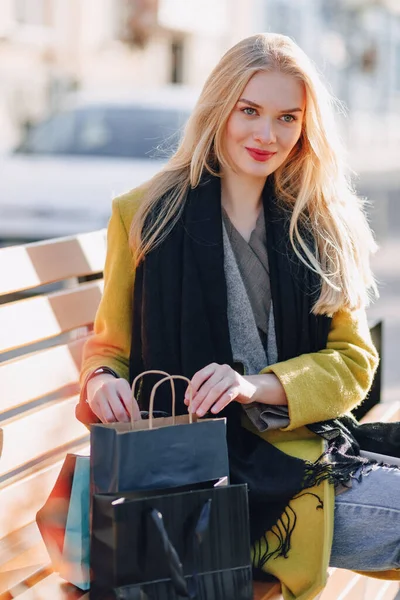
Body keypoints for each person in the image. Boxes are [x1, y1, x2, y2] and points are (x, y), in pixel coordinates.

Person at [77, 33, 400, 599]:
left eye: (286, 117)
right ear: (219, 108)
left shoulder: (322, 222)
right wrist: (102, 380)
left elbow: (353, 364)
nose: (266, 135)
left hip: (309, 454)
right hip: (201, 487)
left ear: (305, 127)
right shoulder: (145, 214)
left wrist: (256, 386)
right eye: (249, 111)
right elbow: (110, 349)